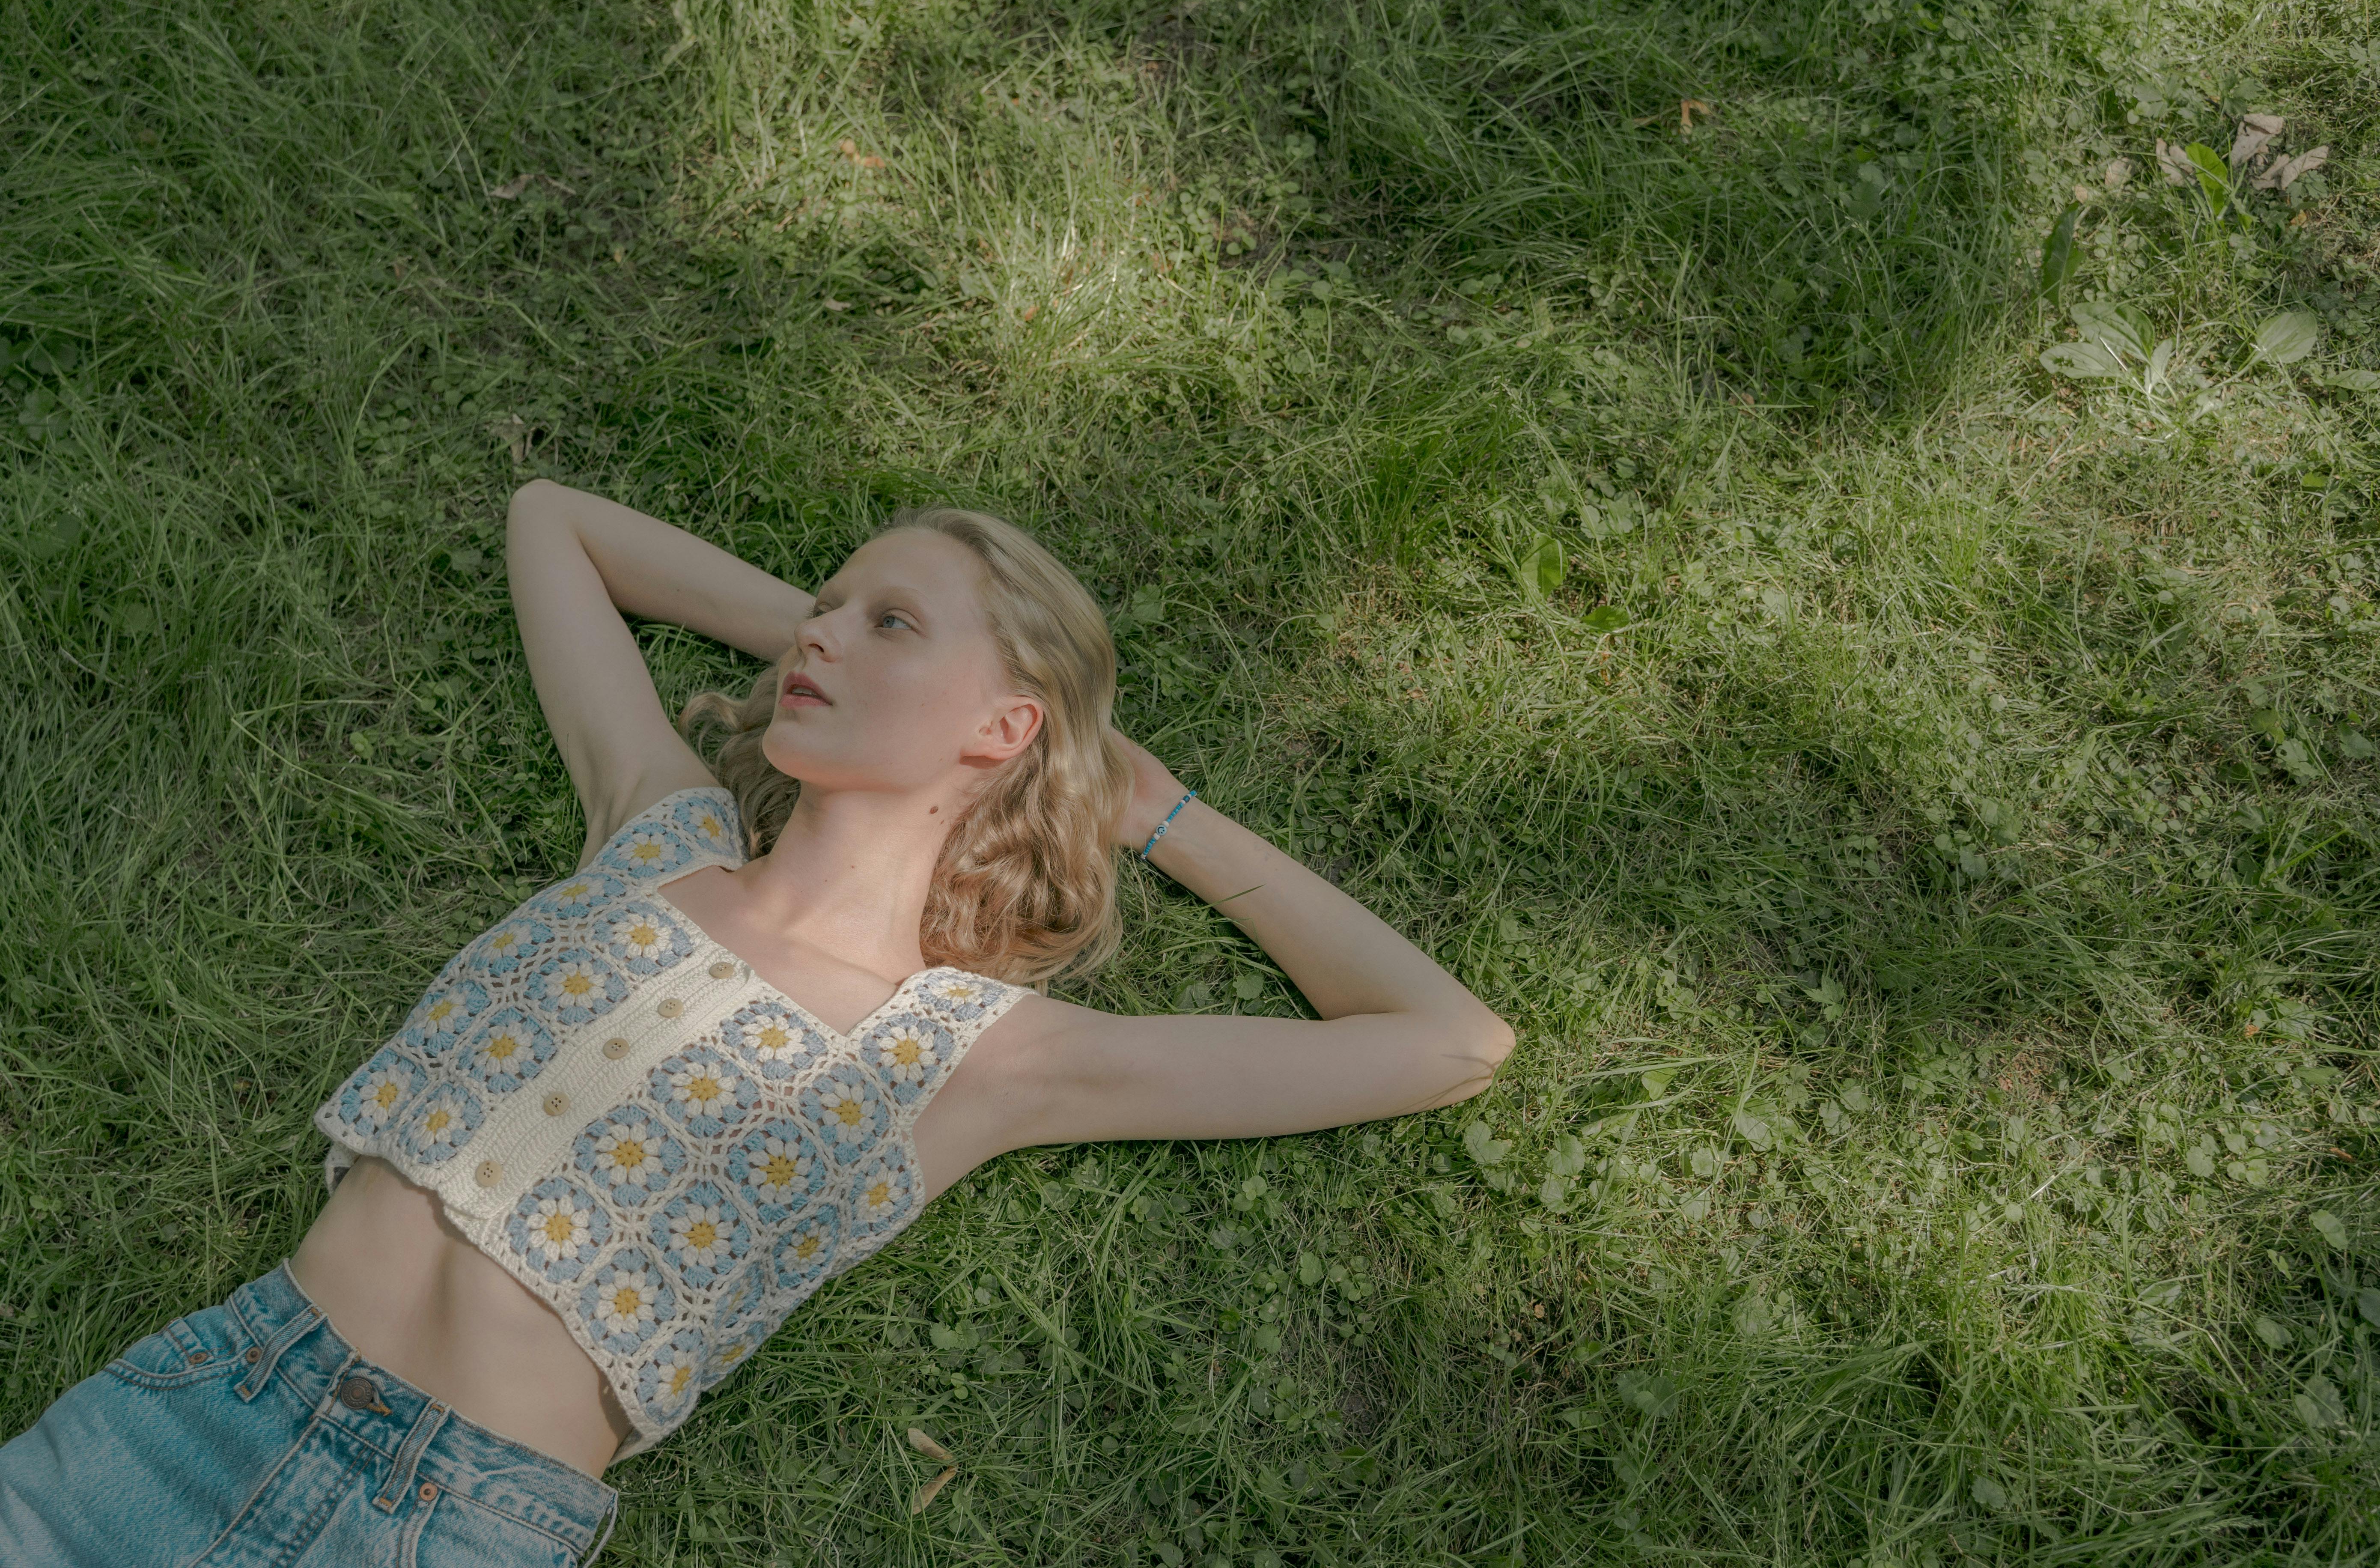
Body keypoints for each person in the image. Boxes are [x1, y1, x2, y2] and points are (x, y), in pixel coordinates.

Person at [0, 480, 1514, 1565]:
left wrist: (1156, 806)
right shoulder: (659, 831)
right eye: (824, 604)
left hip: (454, 1524)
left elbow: (1449, 1038)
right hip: (195, 1402)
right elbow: (558, 523)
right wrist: (827, 631)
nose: (823, 635)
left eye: (890, 620)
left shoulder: (981, 1055)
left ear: (1005, 728)